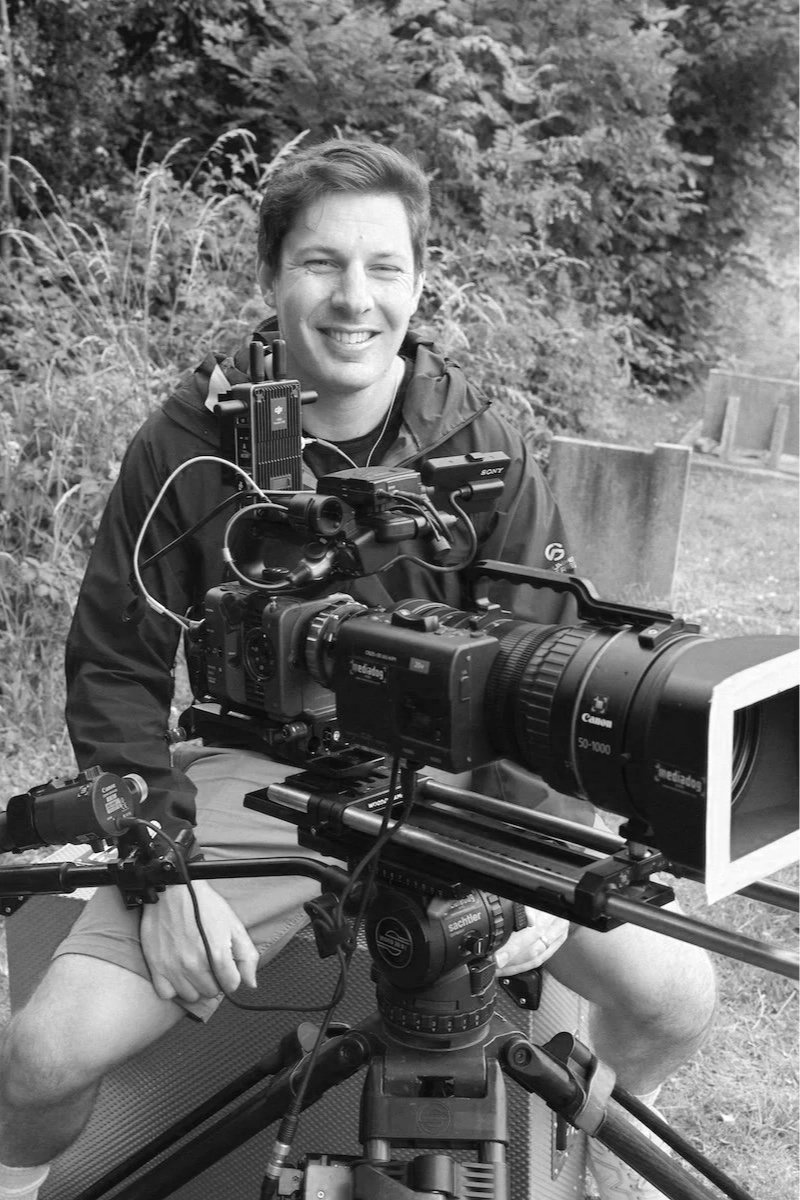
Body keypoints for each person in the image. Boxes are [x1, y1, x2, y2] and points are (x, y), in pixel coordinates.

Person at [0, 139, 716, 1200]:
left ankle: (585, 1168)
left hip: (464, 787)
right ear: (272, 275)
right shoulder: (191, 440)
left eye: (384, 267)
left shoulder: (480, 443)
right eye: (320, 263)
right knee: (42, 1057)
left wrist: (537, 856)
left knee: (675, 997)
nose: (353, 298)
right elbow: (114, 667)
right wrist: (161, 868)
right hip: (262, 777)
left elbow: (541, 660)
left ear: (418, 283)